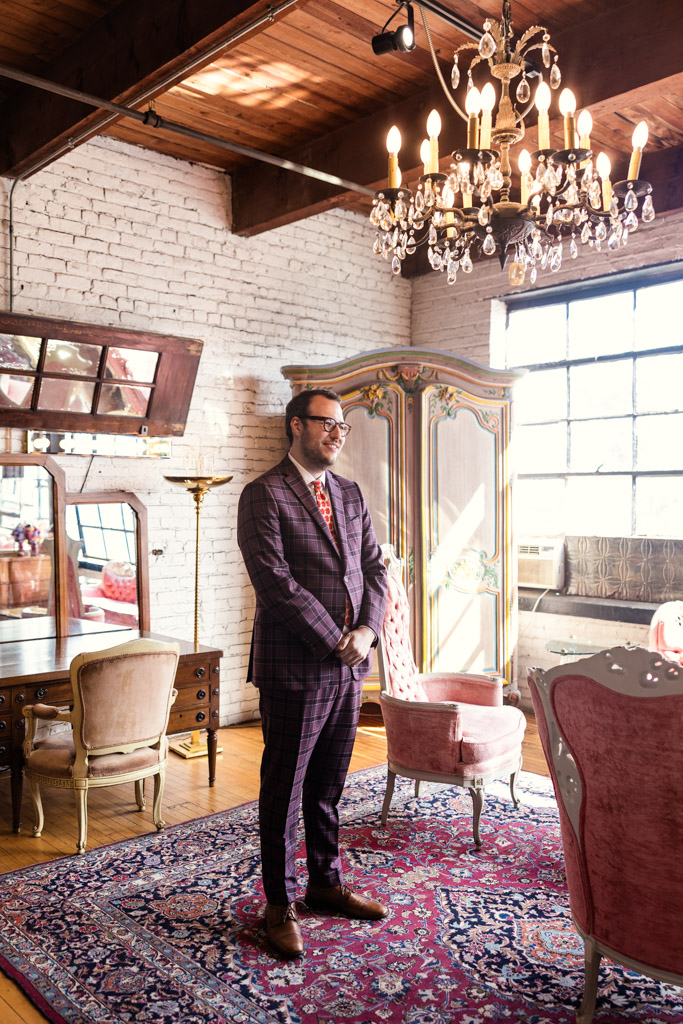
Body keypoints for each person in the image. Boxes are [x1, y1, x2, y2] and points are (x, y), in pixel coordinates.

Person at [237, 386, 388, 959]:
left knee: (328, 787)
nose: (337, 434)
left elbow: (375, 567)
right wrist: (337, 642)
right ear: (296, 425)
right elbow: (275, 584)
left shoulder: (349, 493)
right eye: (327, 423)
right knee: (285, 788)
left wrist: (368, 632)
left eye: (343, 426)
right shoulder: (263, 494)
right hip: (296, 667)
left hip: (350, 666)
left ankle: (324, 886)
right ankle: (278, 905)